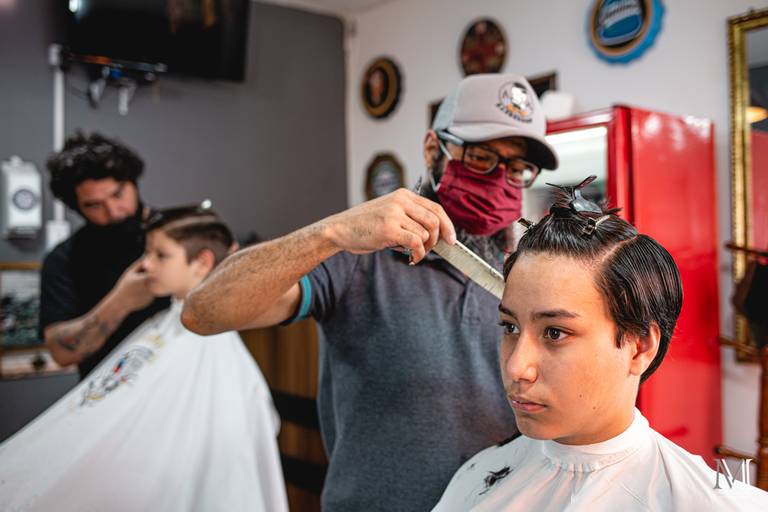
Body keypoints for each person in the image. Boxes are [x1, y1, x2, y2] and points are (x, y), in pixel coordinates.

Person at [182, 73, 559, 511]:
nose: (499, 179)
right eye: (480, 157)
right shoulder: (360, 257)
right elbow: (203, 312)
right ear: (433, 150)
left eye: (517, 170)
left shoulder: (529, 276)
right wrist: (331, 233)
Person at [431, 178, 768, 511]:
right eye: (511, 327)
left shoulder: (712, 503)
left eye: (555, 333)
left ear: (639, 347)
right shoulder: (480, 476)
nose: (516, 367)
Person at [0, 205, 288, 512]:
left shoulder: (210, 348)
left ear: (202, 262)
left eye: (160, 255)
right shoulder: (163, 326)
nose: (145, 265)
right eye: (147, 252)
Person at [42, 132, 169, 378]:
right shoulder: (63, 260)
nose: (113, 212)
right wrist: (122, 301)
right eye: (93, 205)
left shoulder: (183, 235)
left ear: (133, 182)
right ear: (76, 207)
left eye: (118, 194)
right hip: (112, 395)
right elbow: (61, 353)